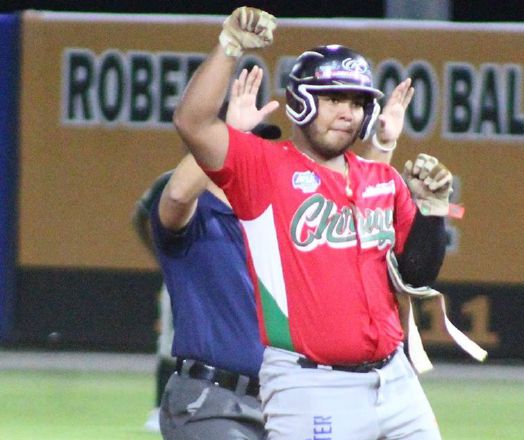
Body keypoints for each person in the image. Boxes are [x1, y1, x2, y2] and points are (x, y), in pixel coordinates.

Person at [172, 6, 452, 439]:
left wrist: (433, 212)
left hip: (396, 380)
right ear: (301, 100)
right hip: (313, 383)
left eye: (357, 102)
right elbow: (192, 122)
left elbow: (417, 275)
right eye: (334, 98)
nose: (348, 112)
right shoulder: (263, 168)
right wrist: (229, 48)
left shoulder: (382, 178)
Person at [131, 172, 176, 433]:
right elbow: (139, 214)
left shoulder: (237, 178)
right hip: (180, 275)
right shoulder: (171, 179)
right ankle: (159, 408)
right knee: (169, 345)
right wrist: (159, 255)